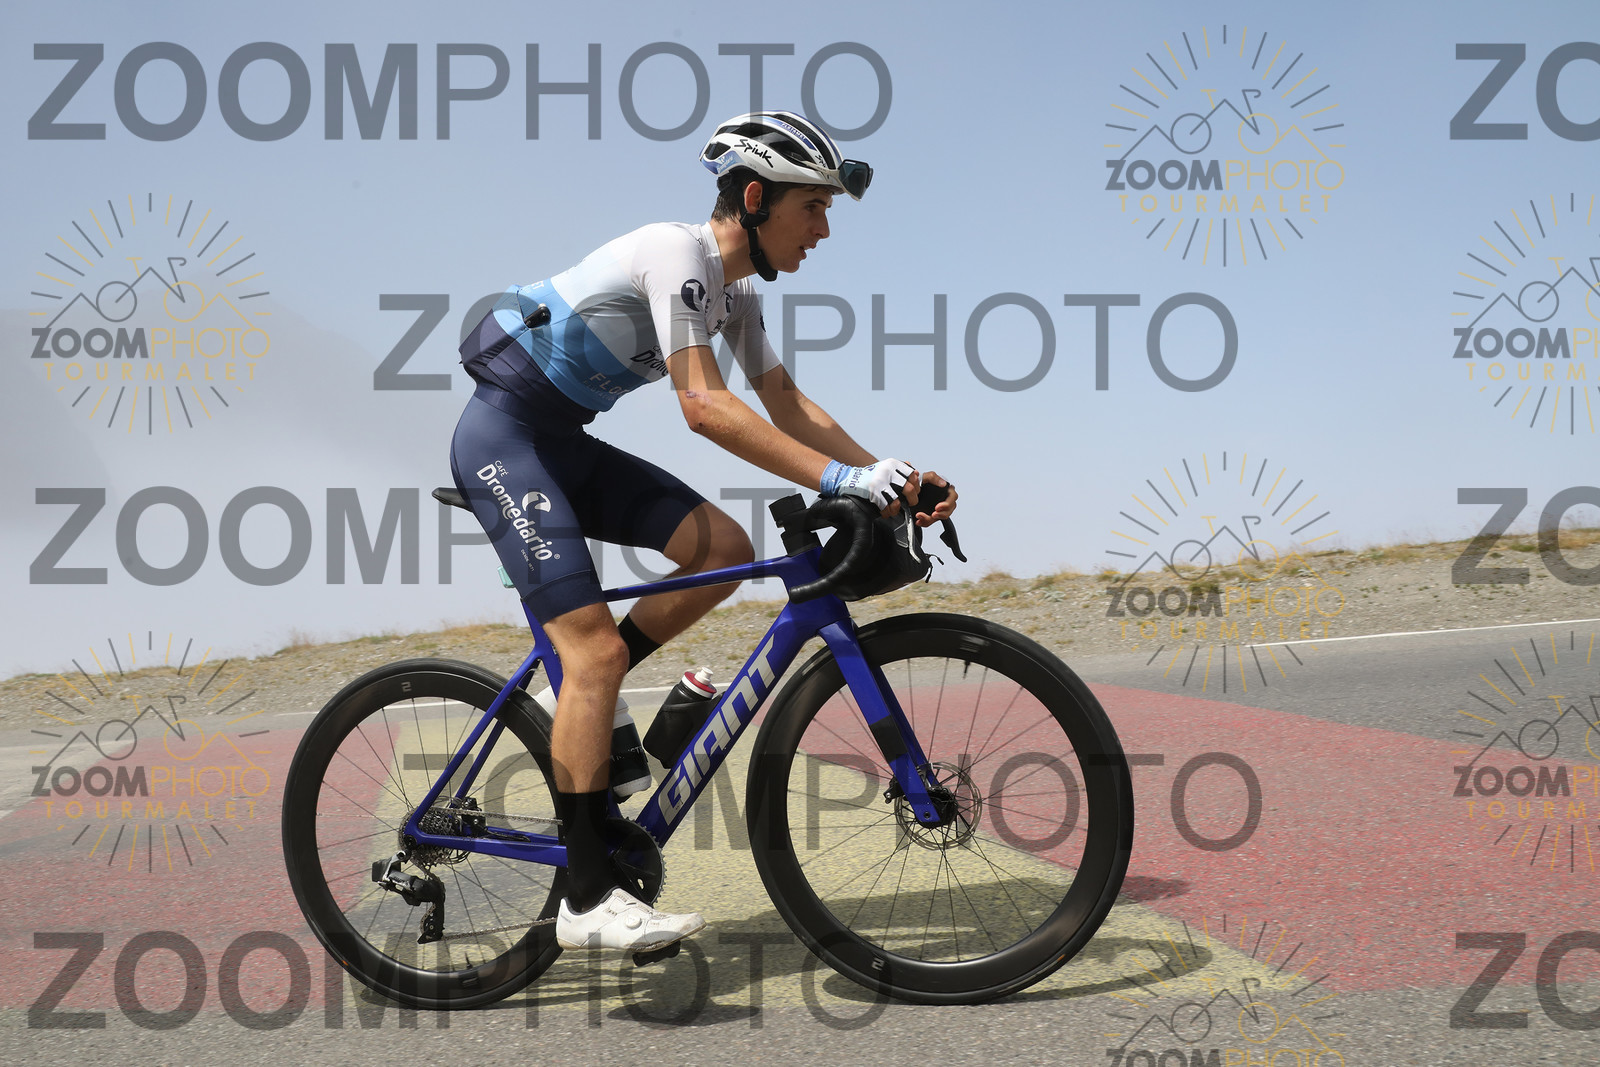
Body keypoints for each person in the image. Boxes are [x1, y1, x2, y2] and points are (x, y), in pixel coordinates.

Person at [449, 111, 957, 953]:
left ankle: (577, 697)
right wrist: (840, 481)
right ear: (755, 199)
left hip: (561, 444)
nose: (824, 229)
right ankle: (586, 899)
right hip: (502, 438)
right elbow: (704, 406)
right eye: (813, 208)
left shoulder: (736, 294)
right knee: (594, 655)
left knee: (721, 549)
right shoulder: (674, 252)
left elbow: (785, 402)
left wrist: (887, 476)